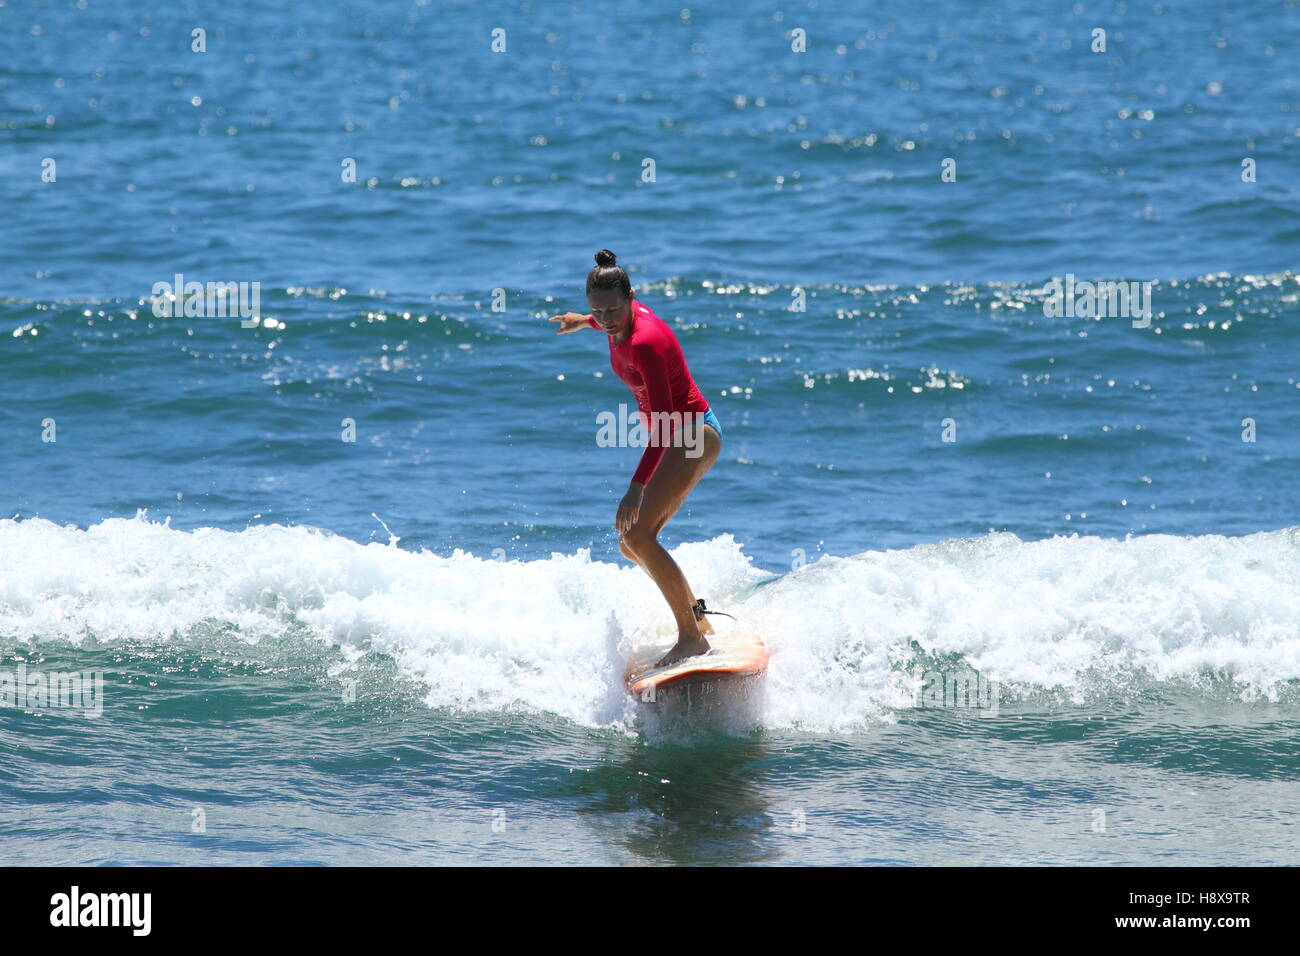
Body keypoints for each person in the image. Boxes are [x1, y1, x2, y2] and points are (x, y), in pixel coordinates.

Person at [550, 249, 724, 667]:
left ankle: (691, 638)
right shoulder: (616, 319)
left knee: (637, 536)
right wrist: (581, 321)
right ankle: (696, 618)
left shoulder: (645, 344)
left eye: (613, 310)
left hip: (692, 434)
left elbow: (664, 424)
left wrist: (635, 487)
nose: (606, 319)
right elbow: (607, 319)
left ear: (632, 299)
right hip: (680, 435)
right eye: (598, 311)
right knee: (633, 546)